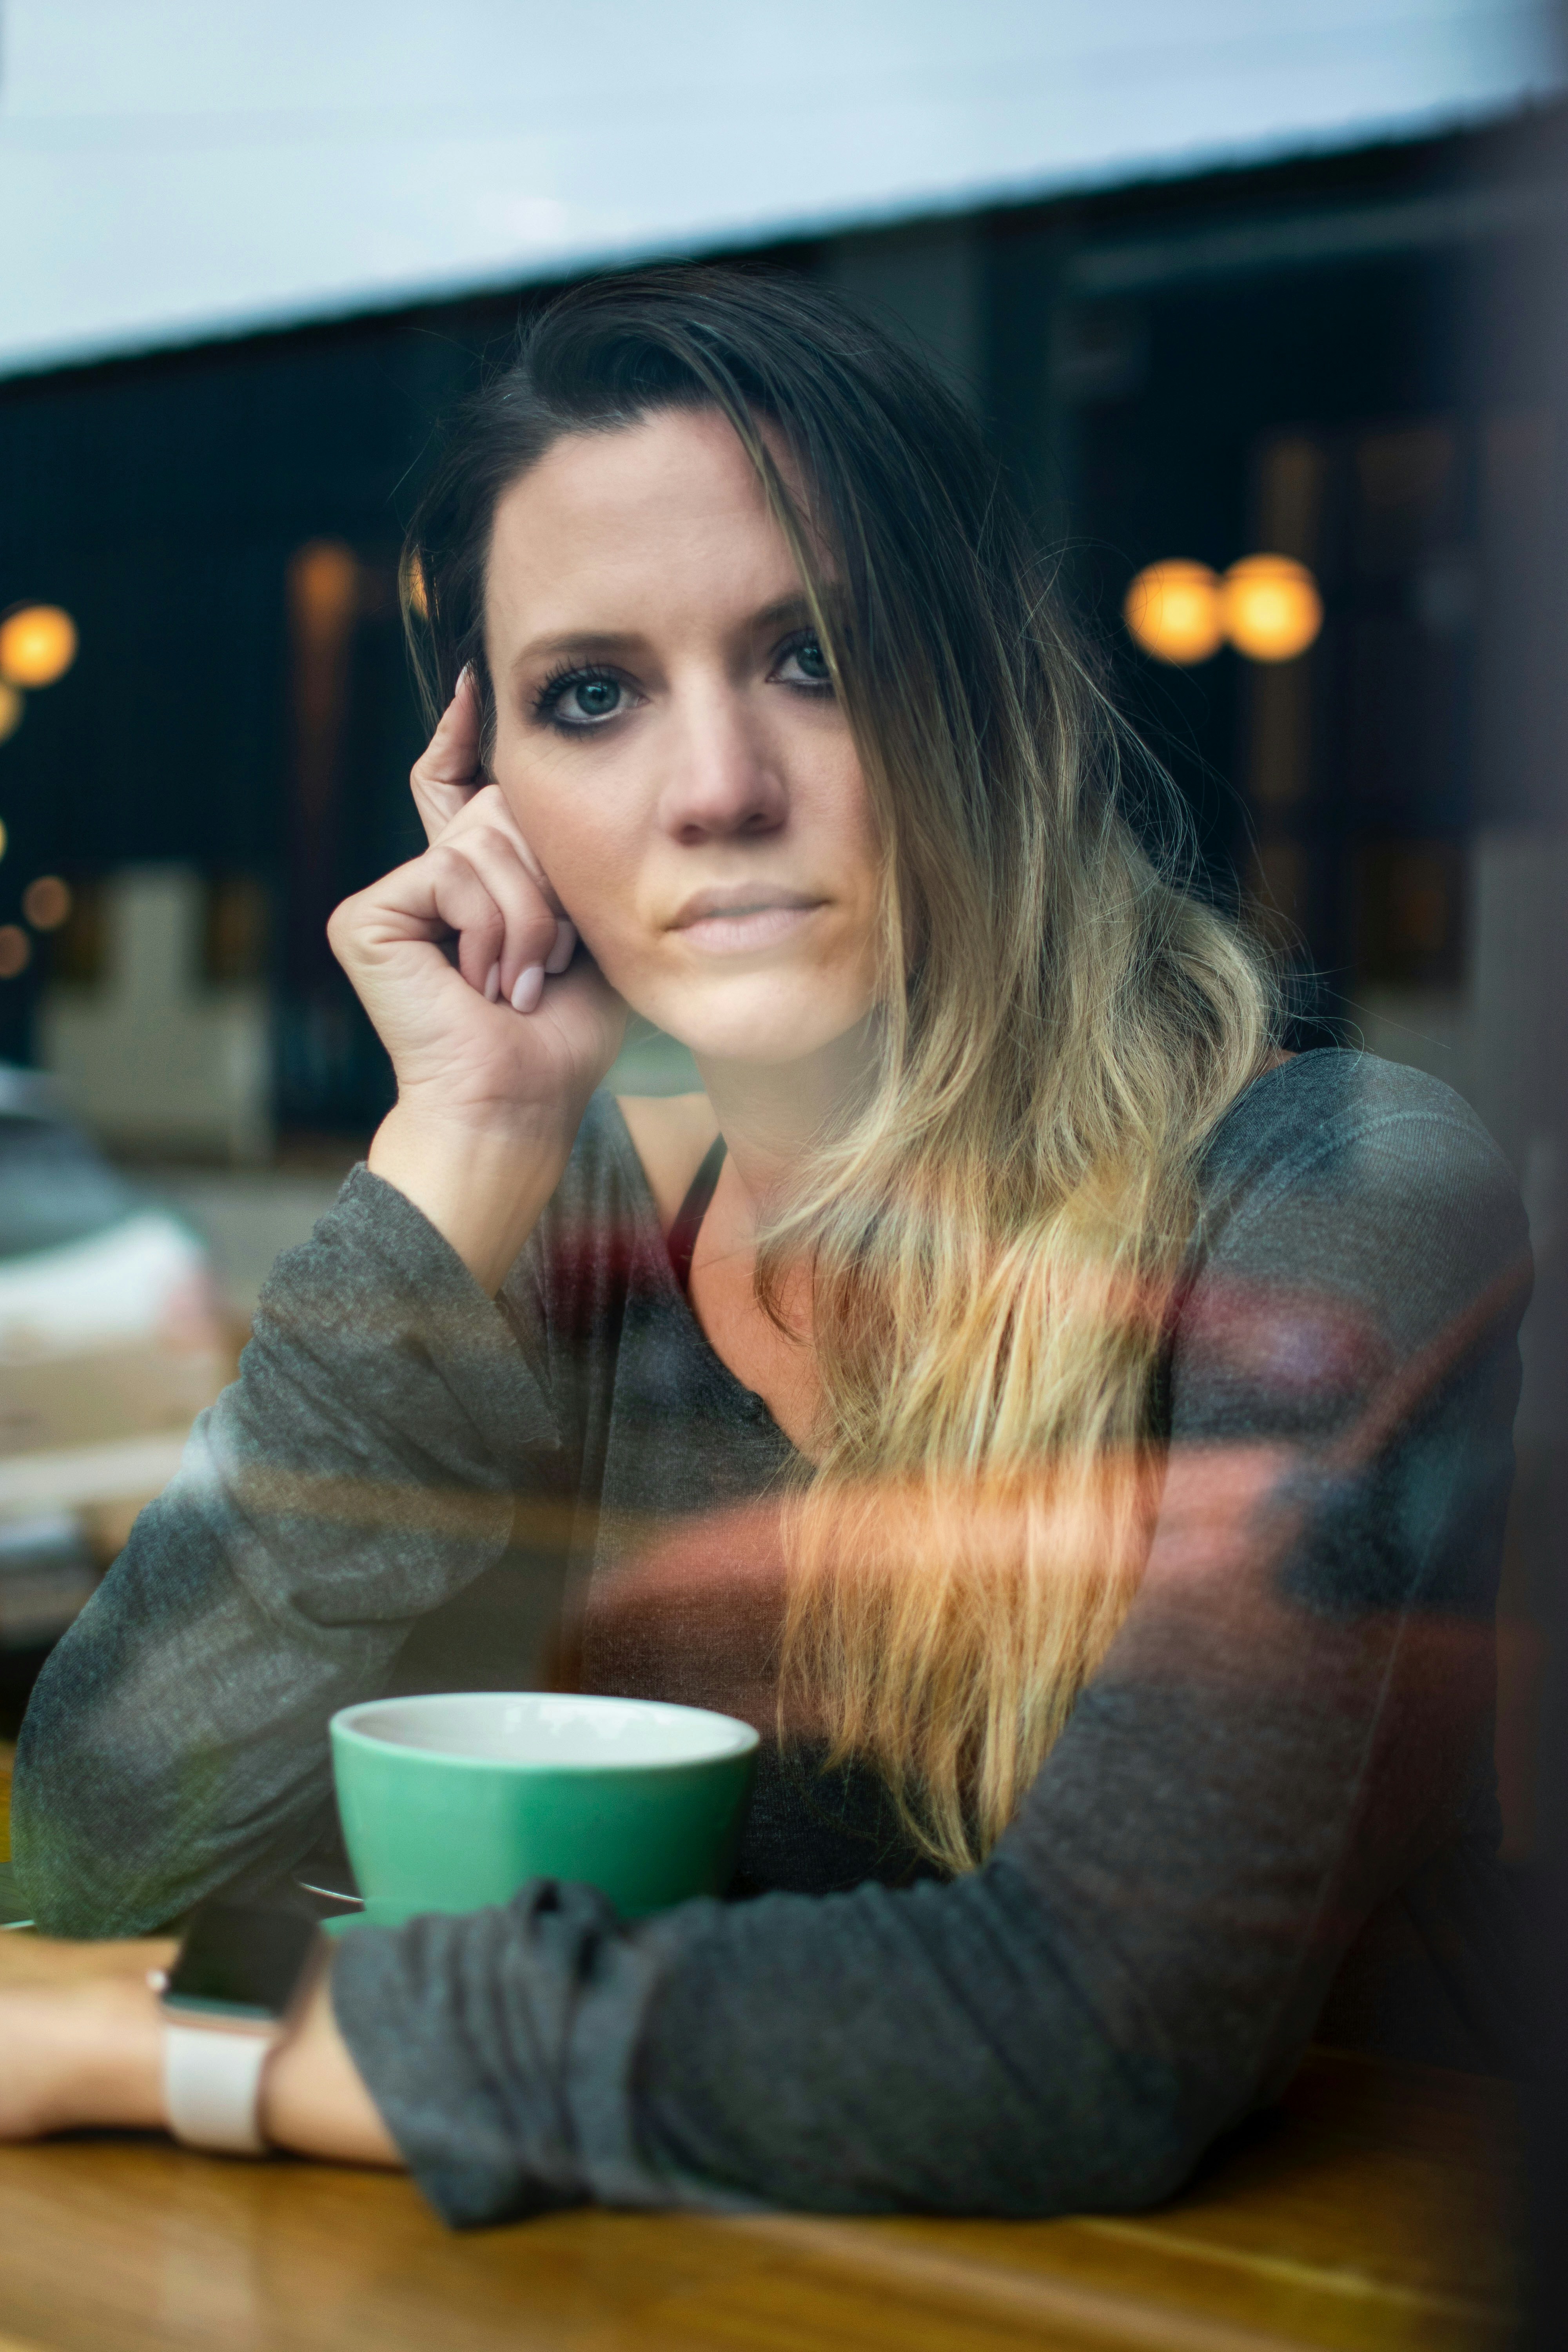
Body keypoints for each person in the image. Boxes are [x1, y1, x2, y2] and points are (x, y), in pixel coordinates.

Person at [3, 270, 1528, 2220]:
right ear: (490, 805)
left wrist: (201, 2059)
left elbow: (1086, 2036)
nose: (716, 790)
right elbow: (102, 1839)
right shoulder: (573, 1246)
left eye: (811, 654)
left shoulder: (1336, 1196)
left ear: (990, 691)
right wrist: (460, 1139)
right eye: (592, 697)